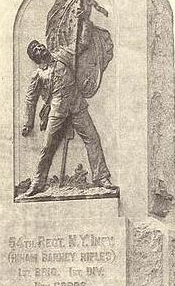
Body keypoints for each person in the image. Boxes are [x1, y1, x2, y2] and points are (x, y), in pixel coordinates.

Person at [22, 39, 113, 197]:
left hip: (77, 105)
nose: (40, 48)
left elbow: (82, 44)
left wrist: (84, 19)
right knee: (47, 146)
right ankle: (38, 182)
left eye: (39, 45)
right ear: (35, 58)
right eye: (36, 50)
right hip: (57, 110)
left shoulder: (63, 55)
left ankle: (101, 177)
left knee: (93, 138)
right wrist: (28, 123)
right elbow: (31, 99)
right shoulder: (38, 74)